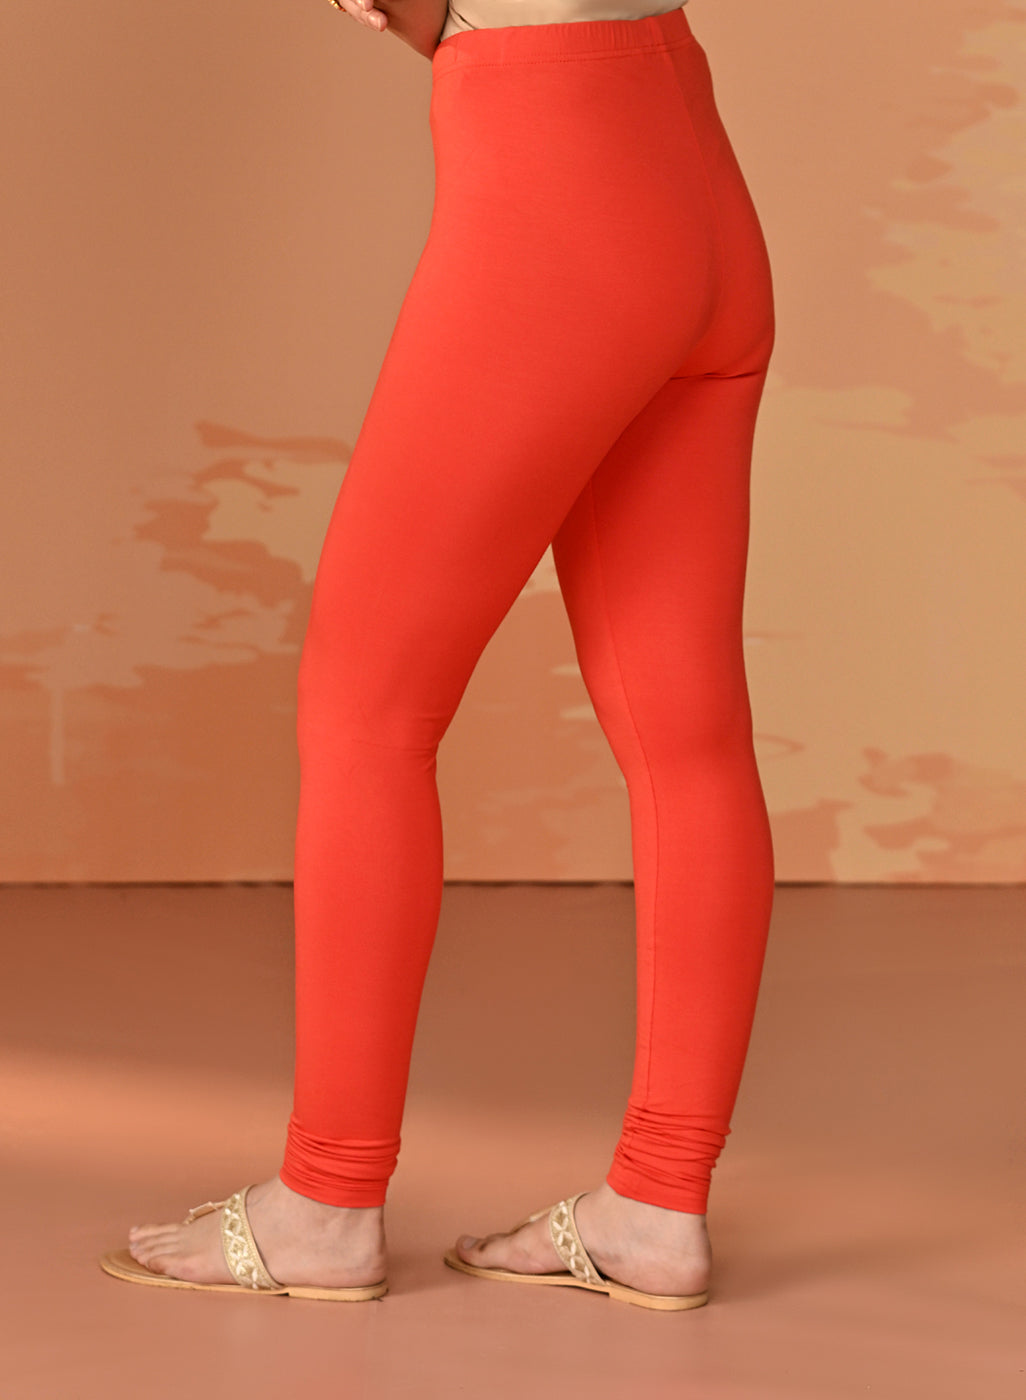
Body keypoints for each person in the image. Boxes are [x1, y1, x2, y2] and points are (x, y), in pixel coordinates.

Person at [99, 0, 776, 1310]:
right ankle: (656, 1204)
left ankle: (325, 1202)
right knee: (686, 737)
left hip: (556, 179)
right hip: (691, 163)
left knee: (365, 712)